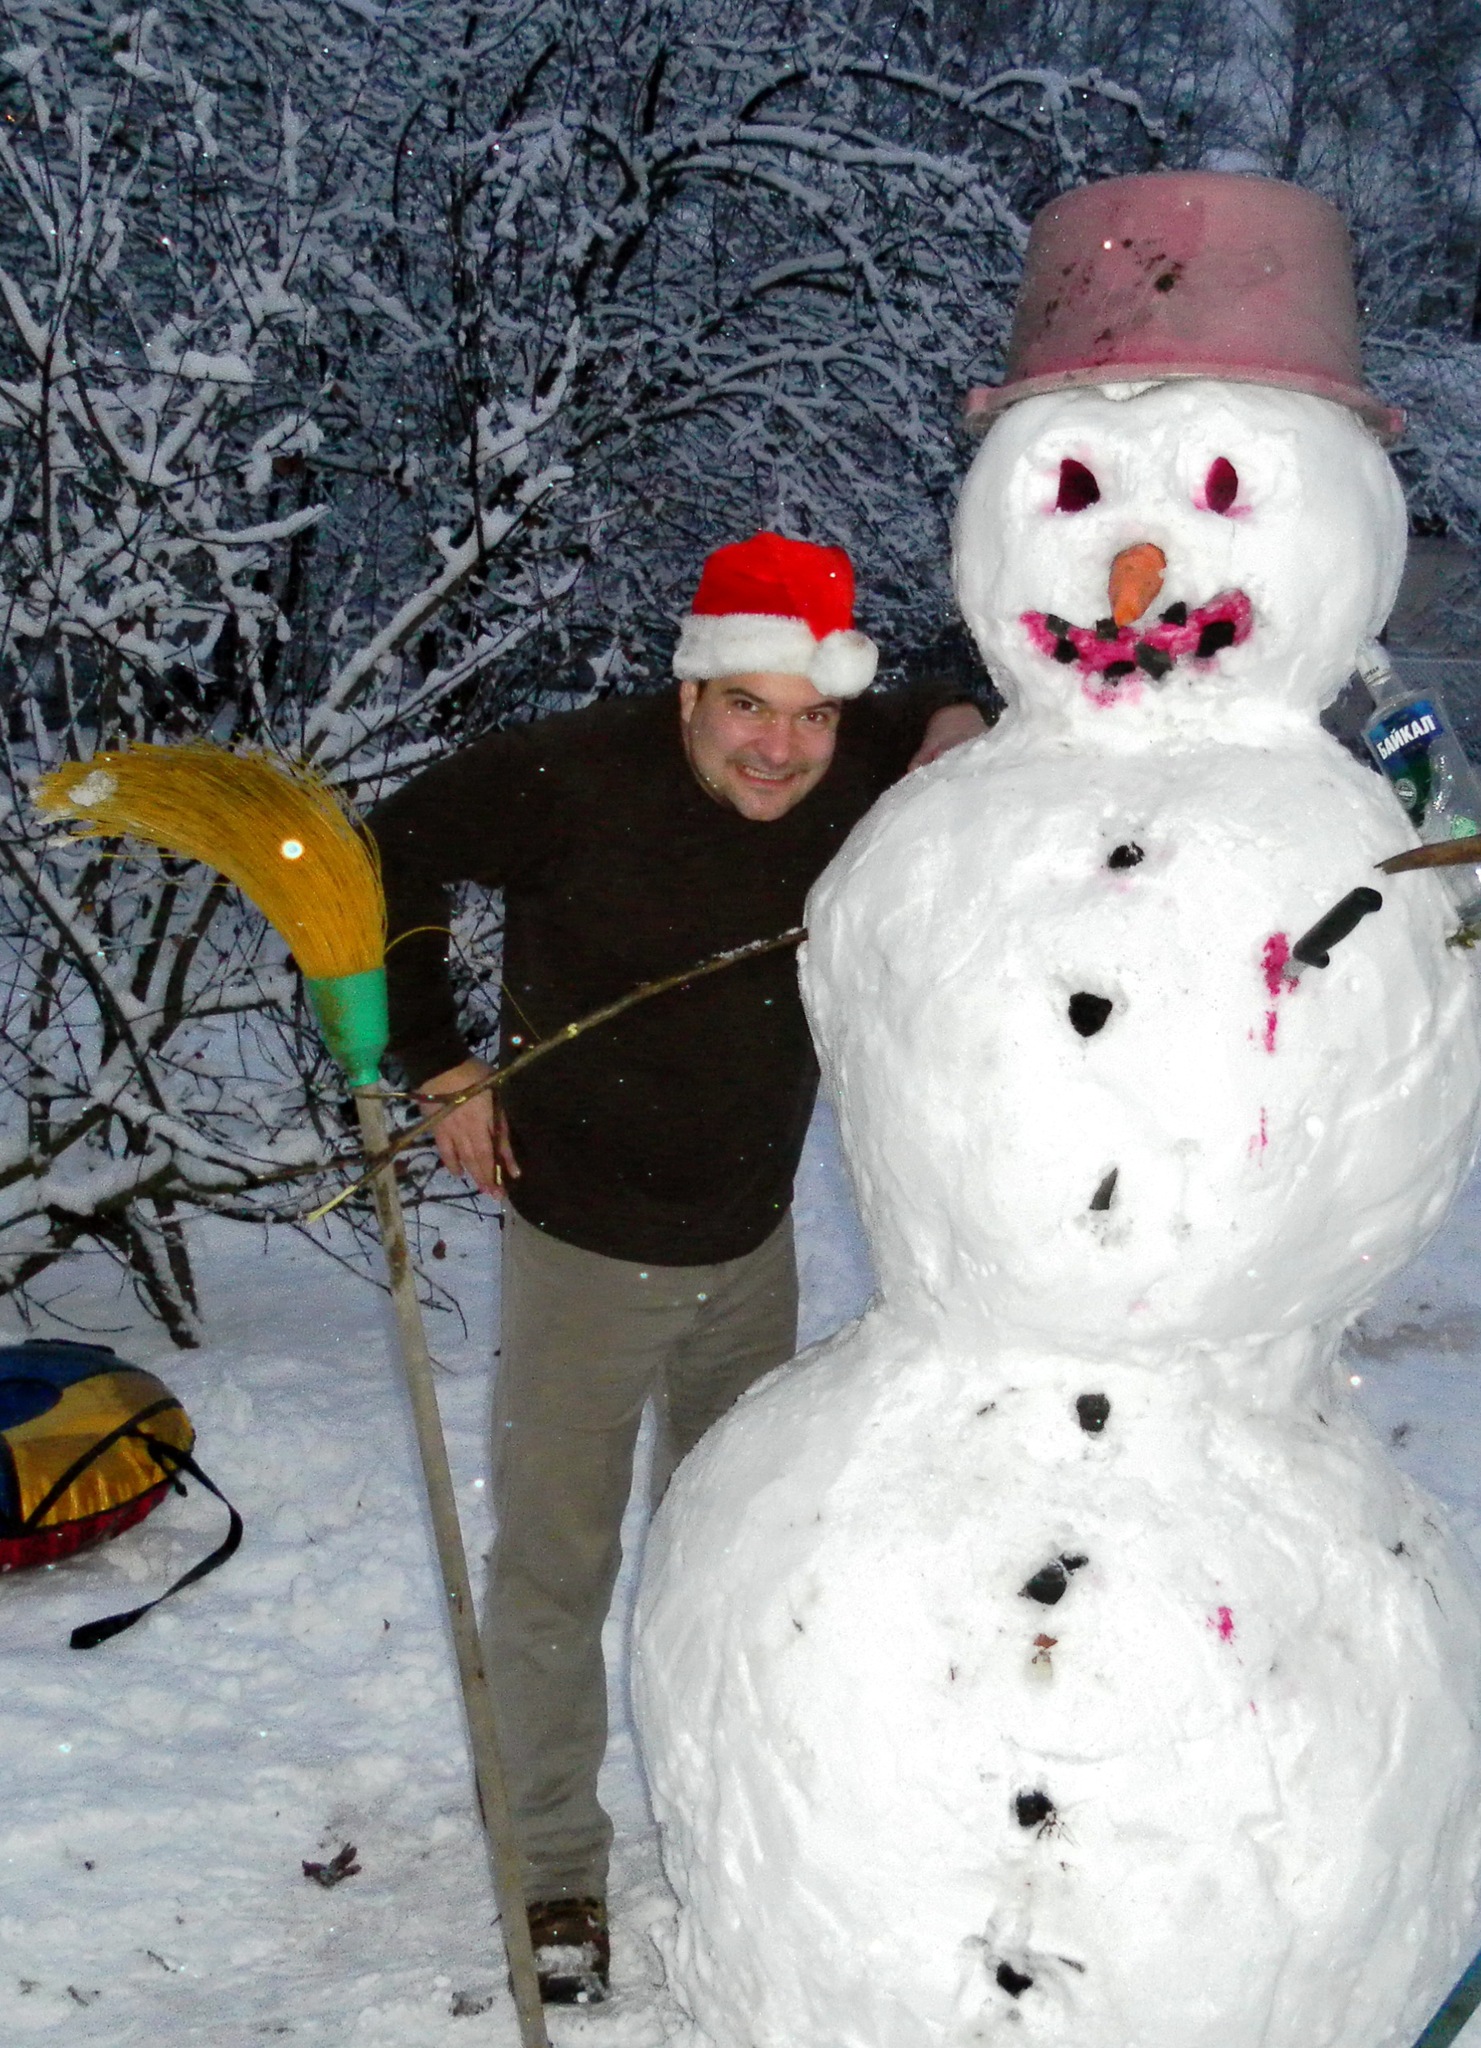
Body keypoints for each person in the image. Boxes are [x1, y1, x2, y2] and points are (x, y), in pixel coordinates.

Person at [367, 533, 985, 2005]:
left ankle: (737, 1827)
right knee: (556, 1573)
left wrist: (952, 718)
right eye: (747, 707)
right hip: (584, 1249)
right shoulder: (573, 775)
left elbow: (944, 693)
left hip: (749, 1246)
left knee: (734, 1549)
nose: (780, 748)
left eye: (813, 714)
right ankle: (554, 1868)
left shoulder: (851, 749)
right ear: (690, 688)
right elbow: (385, 847)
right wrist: (435, 1061)